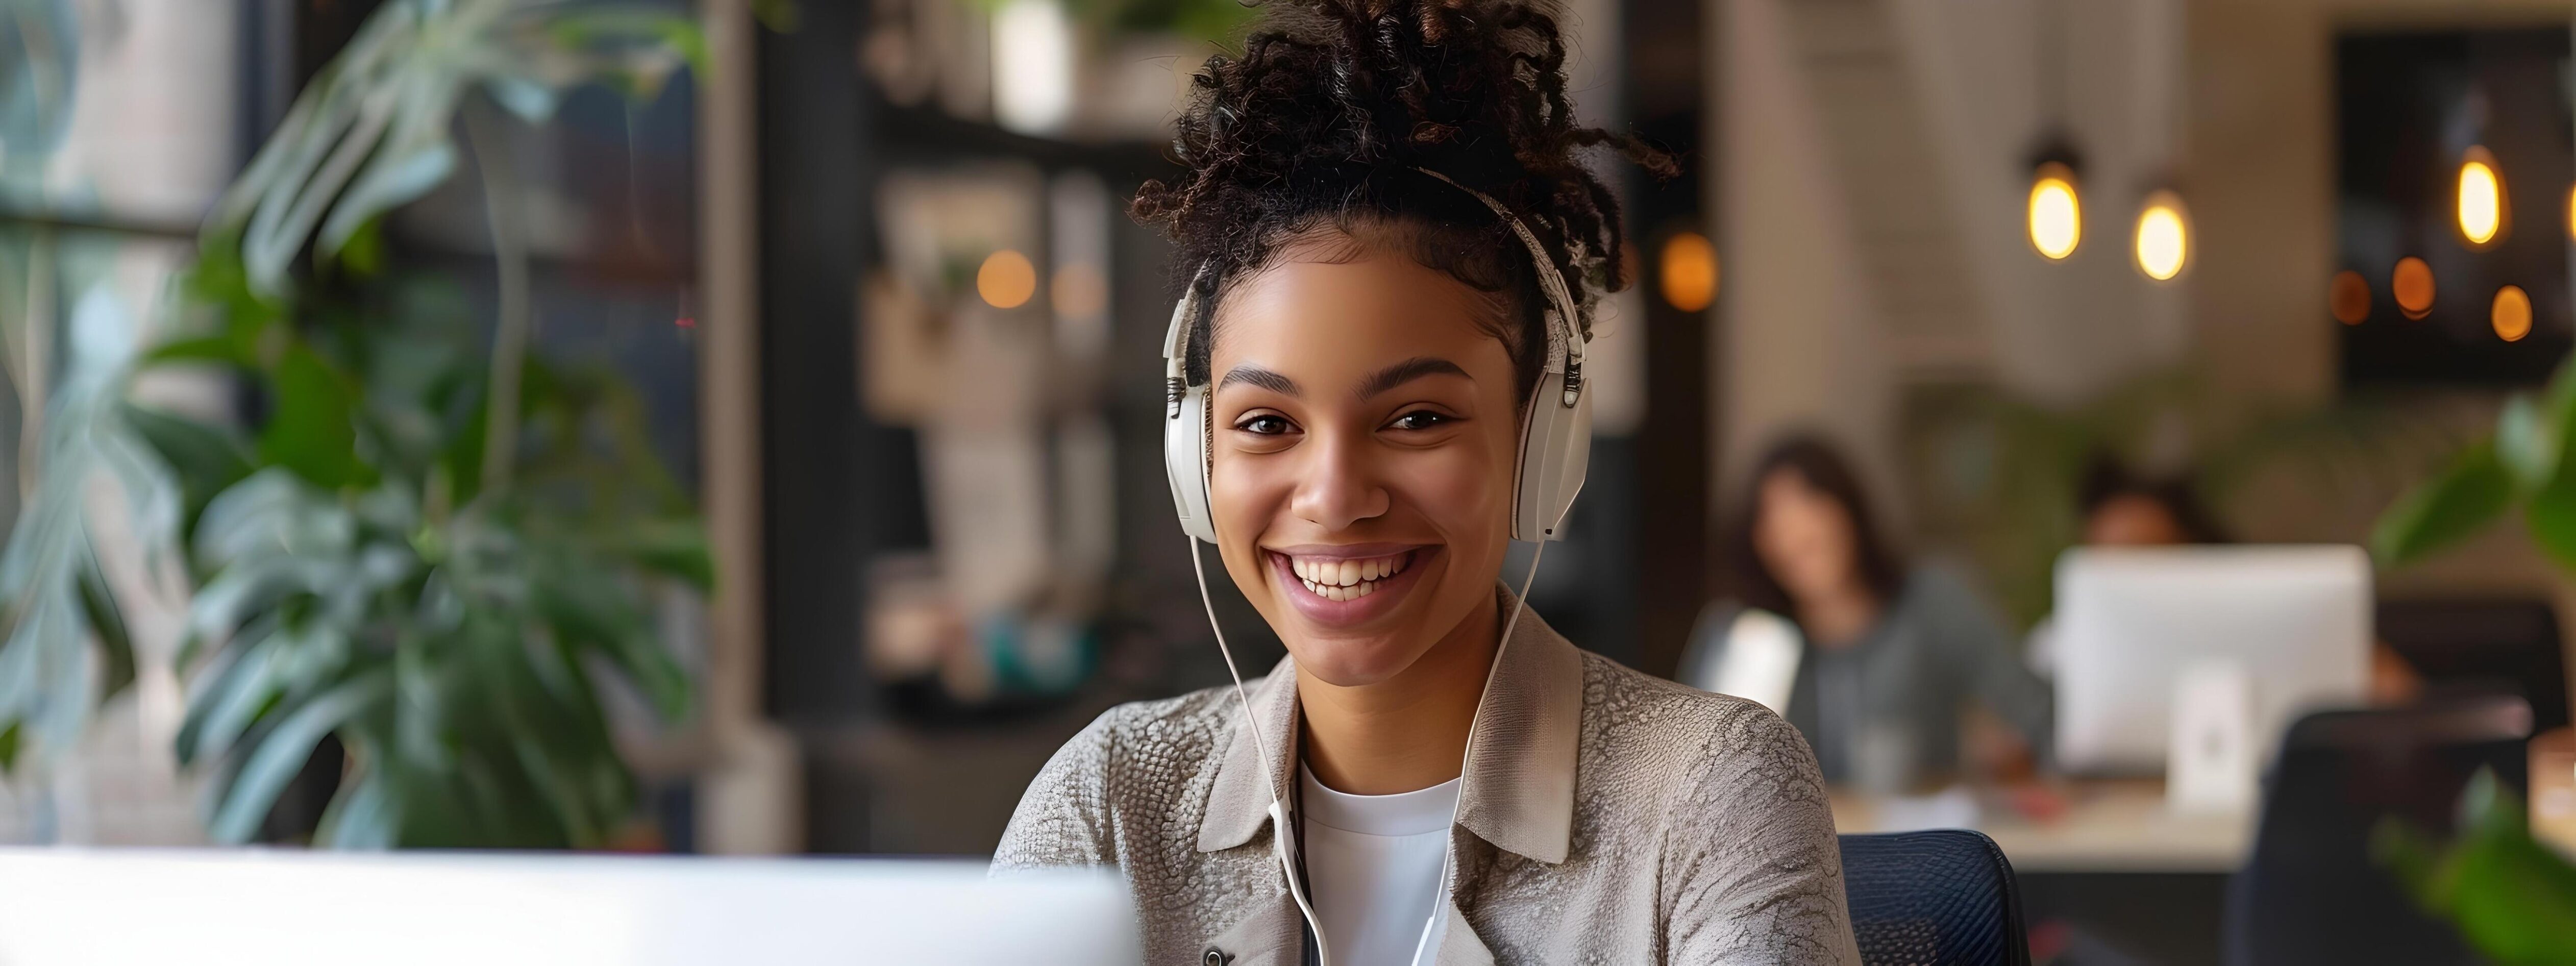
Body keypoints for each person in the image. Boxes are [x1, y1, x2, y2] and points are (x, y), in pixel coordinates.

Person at [990, 1, 1860, 961]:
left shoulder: (1704, 793)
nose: (1332, 494)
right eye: (1266, 424)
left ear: (1541, 441)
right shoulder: (1109, 801)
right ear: (1196, 457)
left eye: (1415, 419)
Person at [1678, 436, 2054, 791]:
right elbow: (1694, 775)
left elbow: (2032, 707)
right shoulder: (1746, 635)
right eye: (1773, 521)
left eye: (1812, 508)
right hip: (1789, 853)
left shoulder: (1931, 599)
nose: (1795, 532)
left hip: (1914, 846)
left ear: (1849, 511)